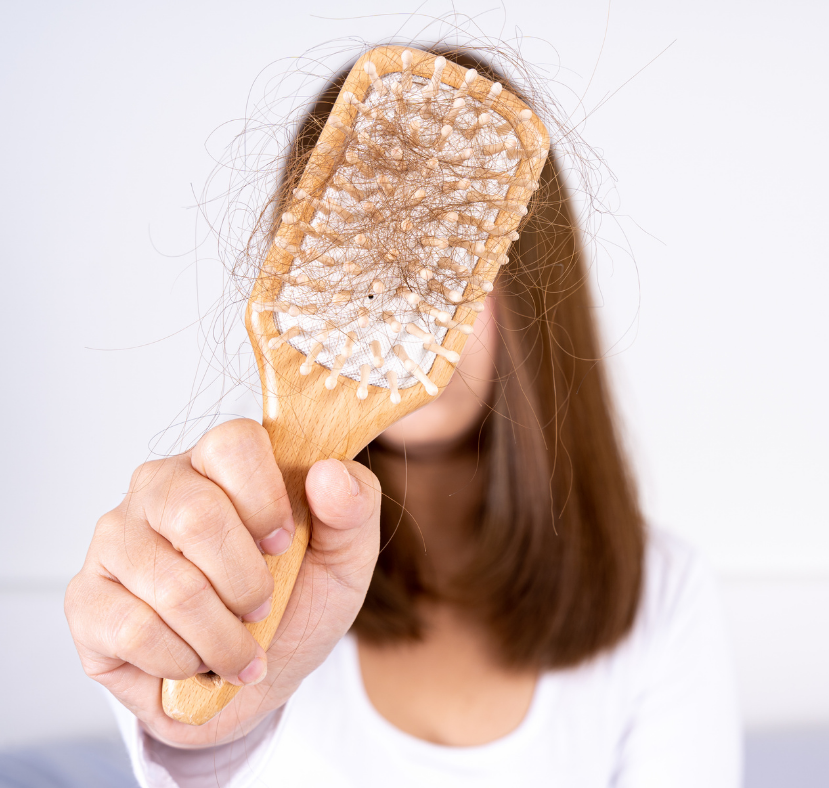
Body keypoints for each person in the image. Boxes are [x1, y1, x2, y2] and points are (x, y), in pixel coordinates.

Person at [65, 46, 742, 787]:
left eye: (438, 260)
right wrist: (207, 739)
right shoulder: (229, 572)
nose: (394, 302)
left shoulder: (666, 598)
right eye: (361, 255)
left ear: (531, 287)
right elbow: (192, 725)